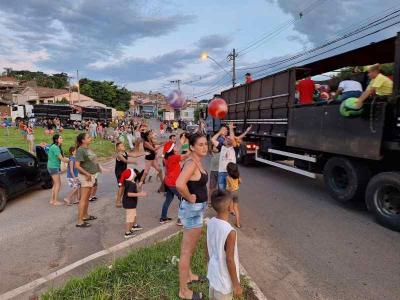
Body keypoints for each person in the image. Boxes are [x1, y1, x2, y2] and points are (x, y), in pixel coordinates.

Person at [176, 133, 209, 300]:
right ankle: (183, 291)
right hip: (192, 210)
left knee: (189, 249)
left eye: (205, 144)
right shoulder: (191, 164)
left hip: (196, 209)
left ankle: (189, 276)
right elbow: (179, 184)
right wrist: (189, 197)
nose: (204, 147)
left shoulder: (196, 161)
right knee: (186, 252)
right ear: (192, 147)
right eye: (200, 144)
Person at [207, 190, 242, 300]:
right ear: (229, 207)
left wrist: (208, 262)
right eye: (232, 202)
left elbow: (206, 244)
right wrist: (236, 285)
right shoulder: (230, 232)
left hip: (213, 273)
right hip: (224, 281)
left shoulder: (211, 222)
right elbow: (229, 260)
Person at [160, 141, 190, 225]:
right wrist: (192, 148)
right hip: (173, 183)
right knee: (183, 199)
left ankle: (163, 218)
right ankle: (180, 220)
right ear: (172, 150)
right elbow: (186, 155)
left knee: (168, 200)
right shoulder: (173, 157)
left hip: (169, 182)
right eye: (174, 147)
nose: (176, 148)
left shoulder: (167, 158)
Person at [75, 133, 101, 228]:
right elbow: (77, 166)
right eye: (88, 137)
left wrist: (99, 169)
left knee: (86, 198)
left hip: (91, 176)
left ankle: (85, 215)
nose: (90, 138)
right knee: (83, 199)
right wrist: (87, 173)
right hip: (85, 177)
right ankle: (79, 221)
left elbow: (92, 161)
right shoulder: (81, 150)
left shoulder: (87, 149)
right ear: (82, 140)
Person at [114, 142, 148, 207]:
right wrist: (133, 162)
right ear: (118, 148)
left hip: (124, 172)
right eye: (121, 146)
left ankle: (119, 198)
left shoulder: (125, 153)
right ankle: (118, 201)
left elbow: (134, 155)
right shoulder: (119, 155)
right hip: (119, 172)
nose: (123, 146)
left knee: (123, 186)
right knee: (121, 186)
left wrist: (144, 153)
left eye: (123, 145)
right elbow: (125, 161)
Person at [119, 168, 147, 238]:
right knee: (130, 218)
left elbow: (135, 190)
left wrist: (139, 186)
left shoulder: (129, 182)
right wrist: (141, 194)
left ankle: (132, 228)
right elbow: (129, 194)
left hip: (130, 203)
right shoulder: (131, 184)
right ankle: (127, 233)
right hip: (129, 203)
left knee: (132, 216)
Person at [47, 134, 69, 206]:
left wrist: (69, 159)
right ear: (56, 140)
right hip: (53, 167)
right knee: (58, 184)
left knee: (55, 184)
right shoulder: (55, 147)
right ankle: (55, 201)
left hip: (52, 166)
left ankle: (52, 200)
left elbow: (63, 157)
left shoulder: (56, 147)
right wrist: (72, 161)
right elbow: (62, 159)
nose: (62, 139)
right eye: (60, 138)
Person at [226, 163, 242, 228]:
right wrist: (237, 185)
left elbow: (227, 187)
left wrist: (227, 189)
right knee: (236, 208)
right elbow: (241, 182)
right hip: (236, 192)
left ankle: (225, 221)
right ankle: (238, 224)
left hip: (230, 193)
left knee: (227, 207)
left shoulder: (228, 177)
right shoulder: (238, 177)